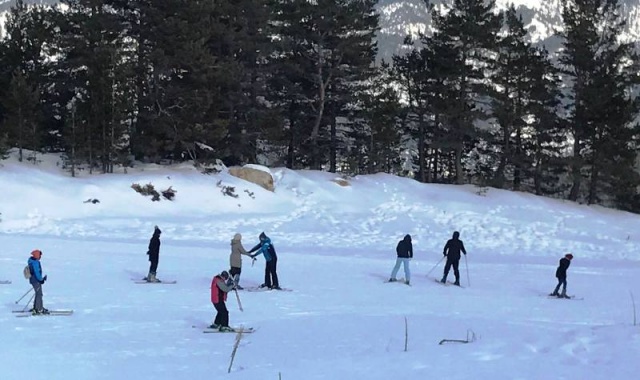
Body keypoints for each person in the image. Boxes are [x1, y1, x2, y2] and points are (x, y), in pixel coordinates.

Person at [27, 249, 48, 315]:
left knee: (37, 293)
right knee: (39, 294)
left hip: (33, 280)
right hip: (36, 280)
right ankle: (39, 309)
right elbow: (37, 273)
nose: (40, 257)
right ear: (36, 255)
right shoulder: (35, 262)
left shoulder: (31, 261)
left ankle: (36, 307)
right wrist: (41, 280)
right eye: (39, 255)